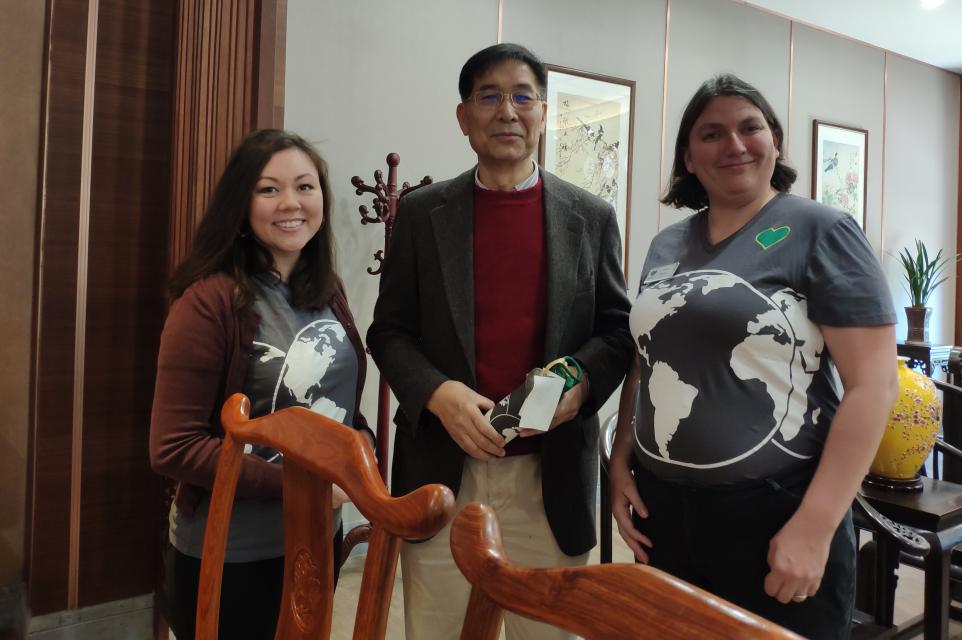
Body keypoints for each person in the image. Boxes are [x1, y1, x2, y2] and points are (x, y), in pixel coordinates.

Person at [608, 75, 898, 640]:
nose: (734, 145)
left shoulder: (822, 231)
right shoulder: (667, 244)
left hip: (776, 513)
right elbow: (645, 360)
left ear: (776, 142)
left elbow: (874, 385)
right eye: (711, 134)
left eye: (750, 128)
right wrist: (620, 462)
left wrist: (815, 526)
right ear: (688, 157)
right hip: (664, 510)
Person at [367, 42, 633, 640]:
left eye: (522, 96)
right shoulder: (421, 214)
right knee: (439, 631)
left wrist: (580, 382)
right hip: (443, 470)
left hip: (551, 475)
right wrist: (436, 393)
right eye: (488, 96)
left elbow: (616, 331)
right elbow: (389, 331)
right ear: (463, 117)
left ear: (544, 113)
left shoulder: (590, 217)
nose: (507, 111)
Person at [149, 129, 372, 640]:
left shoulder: (328, 290)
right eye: (269, 189)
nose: (291, 203)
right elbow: (173, 447)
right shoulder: (208, 302)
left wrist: (362, 445)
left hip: (316, 540)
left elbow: (341, 404)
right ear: (241, 204)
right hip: (232, 554)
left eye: (305, 187)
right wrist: (302, 485)